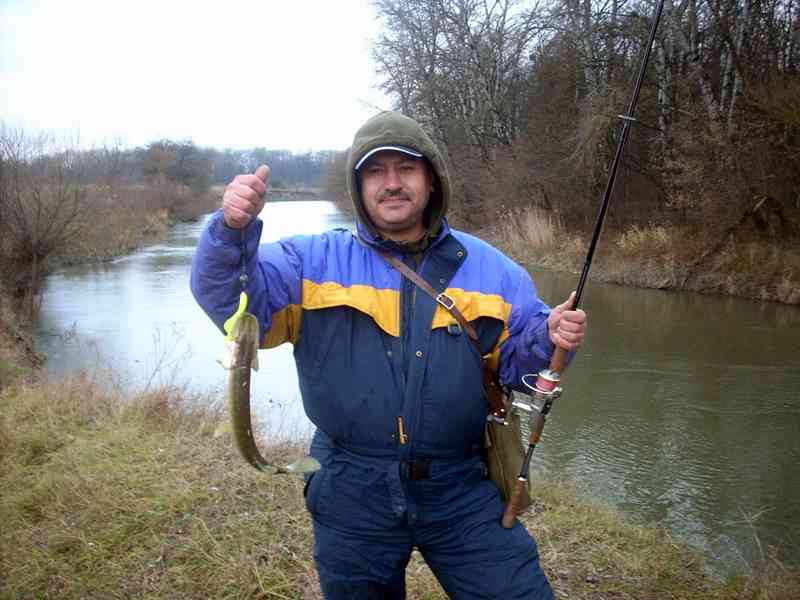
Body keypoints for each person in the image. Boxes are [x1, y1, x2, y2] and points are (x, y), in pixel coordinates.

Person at [191, 111, 587, 599]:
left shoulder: (495, 271)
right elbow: (232, 302)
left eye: (407, 168)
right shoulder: (308, 261)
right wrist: (231, 231)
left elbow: (518, 370)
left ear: (431, 179)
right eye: (376, 171)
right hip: (350, 486)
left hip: (462, 486)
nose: (392, 183)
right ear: (358, 187)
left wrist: (548, 338)